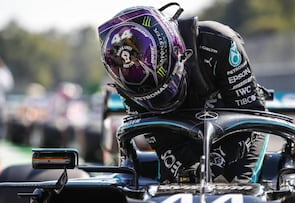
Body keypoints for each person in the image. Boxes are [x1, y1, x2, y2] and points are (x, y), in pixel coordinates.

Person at [97, 2, 268, 183]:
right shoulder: (126, 81)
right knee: (175, 188)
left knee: (241, 188)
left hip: (237, 126)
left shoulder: (220, 43)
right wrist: (189, 169)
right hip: (176, 136)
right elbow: (162, 141)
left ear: (180, 52)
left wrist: (217, 159)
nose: (161, 99)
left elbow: (252, 115)